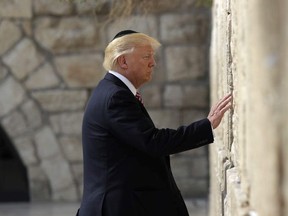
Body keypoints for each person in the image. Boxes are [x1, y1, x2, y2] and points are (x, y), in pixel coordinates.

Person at [76, 30, 232, 216]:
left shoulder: (112, 91)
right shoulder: (115, 97)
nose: (153, 62)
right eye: (146, 56)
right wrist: (206, 125)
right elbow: (153, 141)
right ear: (123, 61)